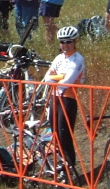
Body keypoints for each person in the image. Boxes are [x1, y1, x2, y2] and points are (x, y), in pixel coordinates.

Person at [43, 26, 86, 172]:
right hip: (55, 97)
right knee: (54, 132)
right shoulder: (59, 58)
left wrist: (58, 78)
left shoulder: (78, 59)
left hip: (69, 98)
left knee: (64, 134)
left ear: (75, 42)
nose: (65, 45)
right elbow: (46, 79)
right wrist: (59, 78)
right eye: (62, 42)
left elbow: (67, 82)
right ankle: (61, 164)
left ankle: (70, 167)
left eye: (68, 42)